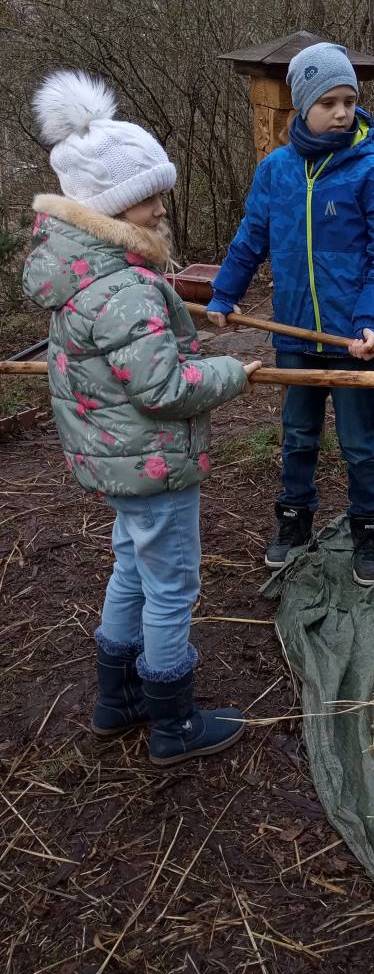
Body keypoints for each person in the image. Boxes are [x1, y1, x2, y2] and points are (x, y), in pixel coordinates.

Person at [23, 70, 262, 765]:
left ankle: (117, 698)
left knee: (131, 565)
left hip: (116, 461)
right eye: (149, 196)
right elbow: (163, 387)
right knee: (172, 586)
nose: (161, 208)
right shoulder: (125, 287)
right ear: (109, 205)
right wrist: (231, 373)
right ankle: (173, 723)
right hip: (152, 463)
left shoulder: (82, 276)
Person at [207, 41, 374, 584]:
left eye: (349, 101)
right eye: (328, 102)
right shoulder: (275, 171)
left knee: (359, 445)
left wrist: (371, 319)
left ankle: (368, 529)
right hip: (294, 336)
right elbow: (251, 238)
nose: (342, 112)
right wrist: (224, 294)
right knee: (298, 435)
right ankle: (294, 522)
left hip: (354, 341)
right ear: (302, 105)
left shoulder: (369, 172)